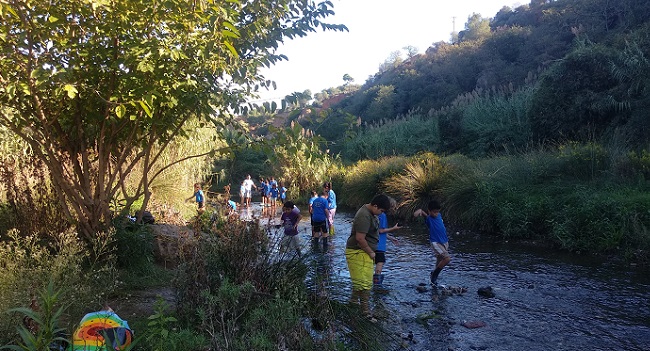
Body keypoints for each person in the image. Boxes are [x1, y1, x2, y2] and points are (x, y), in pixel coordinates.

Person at [345, 194, 392, 320]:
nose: (381, 214)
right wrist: (371, 253)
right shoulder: (364, 215)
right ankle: (366, 312)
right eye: (381, 211)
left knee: (362, 283)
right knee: (364, 284)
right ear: (375, 206)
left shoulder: (372, 213)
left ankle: (352, 305)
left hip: (365, 252)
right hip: (357, 252)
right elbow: (360, 239)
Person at [414, 200, 450, 285]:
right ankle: (435, 275)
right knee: (447, 258)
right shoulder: (428, 218)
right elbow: (417, 214)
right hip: (436, 242)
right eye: (434, 212)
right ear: (429, 211)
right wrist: (420, 211)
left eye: (437, 212)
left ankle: (433, 277)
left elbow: (435, 216)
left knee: (440, 259)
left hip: (444, 242)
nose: (436, 214)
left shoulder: (439, 215)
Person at [374, 202, 401, 289]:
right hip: (379, 246)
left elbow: (378, 231)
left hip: (374, 243)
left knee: (376, 263)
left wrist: (390, 238)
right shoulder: (382, 215)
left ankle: (375, 284)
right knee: (380, 263)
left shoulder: (377, 214)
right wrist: (393, 228)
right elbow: (381, 231)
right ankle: (377, 285)